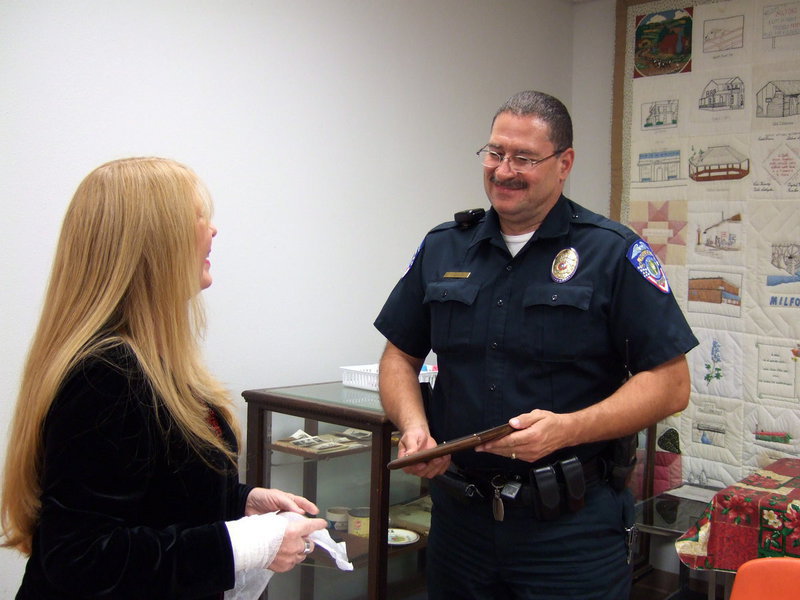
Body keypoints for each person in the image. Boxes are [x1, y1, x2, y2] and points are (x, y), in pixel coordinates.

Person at [374, 91, 698, 599]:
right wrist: (415, 429)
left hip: (570, 529)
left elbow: (671, 384)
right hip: (461, 521)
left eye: (524, 158)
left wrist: (567, 430)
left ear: (563, 163)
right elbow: (399, 355)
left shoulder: (611, 252)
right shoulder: (443, 246)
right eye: (495, 153)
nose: (504, 171)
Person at [1, 157, 327, 599]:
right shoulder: (108, 374)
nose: (213, 231)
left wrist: (239, 502)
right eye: (197, 217)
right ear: (152, 244)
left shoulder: (149, 360)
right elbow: (79, 557)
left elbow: (152, 493)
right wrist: (250, 544)